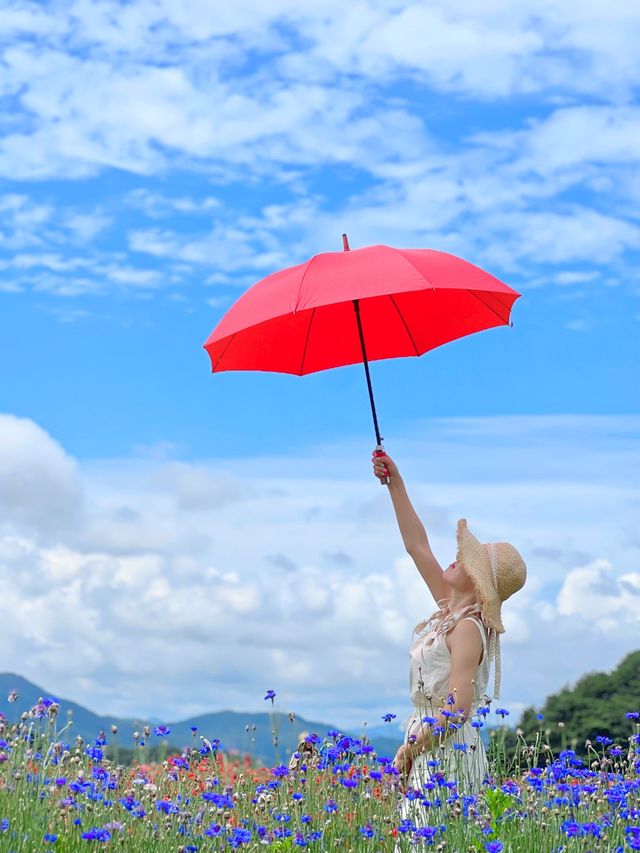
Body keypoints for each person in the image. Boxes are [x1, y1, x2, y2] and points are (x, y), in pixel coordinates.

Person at [372, 449, 527, 808]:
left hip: (446, 754)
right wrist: (395, 483)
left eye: (467, 560)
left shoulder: (469, 628)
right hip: (429, 742)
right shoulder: (450, 610)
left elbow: (457, 710)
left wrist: (409, 752)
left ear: (477, 582)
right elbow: (417, 546)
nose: (456, 557)